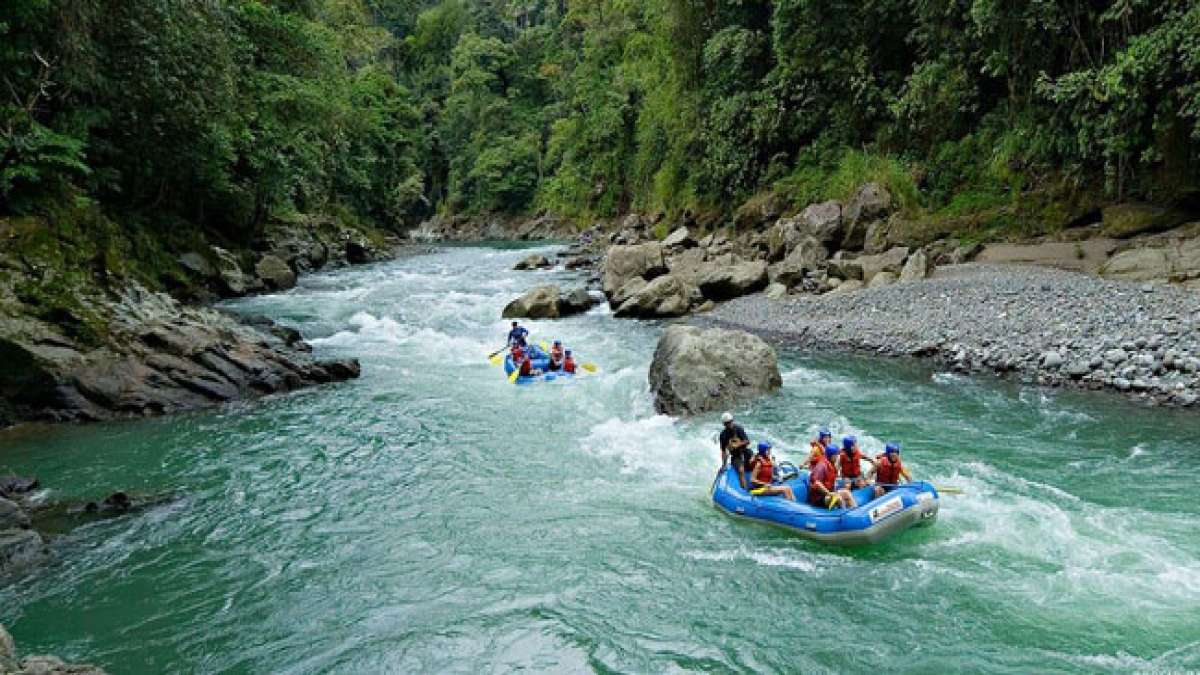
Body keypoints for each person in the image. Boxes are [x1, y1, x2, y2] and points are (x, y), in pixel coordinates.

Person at [808, 445, 857, 510]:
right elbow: (817, 483)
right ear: (832, 456)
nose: (837, 457)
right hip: (819, 498)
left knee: (846, 492)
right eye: (836, 455)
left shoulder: (831, 464)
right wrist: (829, 493)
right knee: (838, 498)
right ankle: (844, 512)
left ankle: (855, 511)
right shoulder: (821, 466)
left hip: (827, 494)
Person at [718, 412, 752, 490]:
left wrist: (738, 444)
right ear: (724, 424)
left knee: (757, 464)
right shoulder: (723, 435)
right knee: (741, 470)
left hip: (746, 452)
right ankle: (744, 490)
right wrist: (724, 465)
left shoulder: (739, 429)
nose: (729, 424)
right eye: (727, 423)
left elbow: (747, 441)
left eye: (730, 422)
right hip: (736, 456)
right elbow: (723, 451)